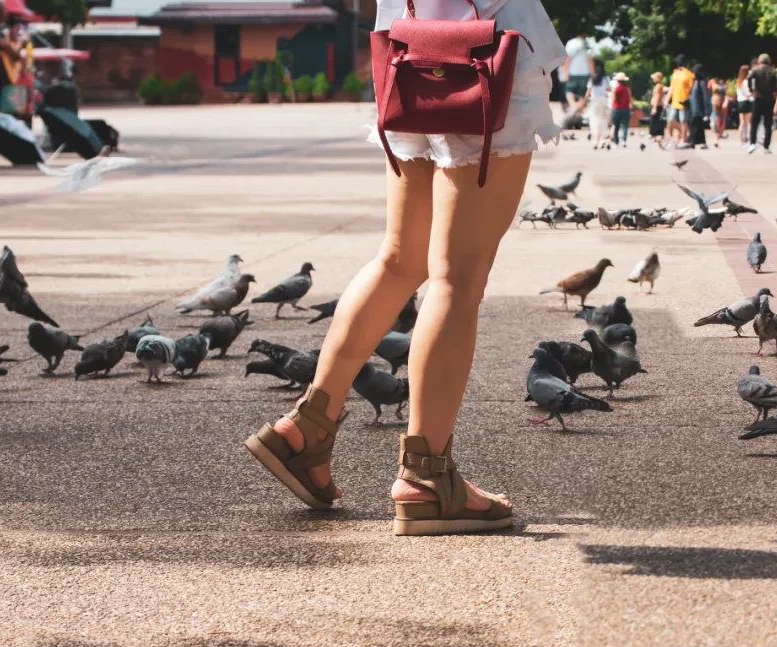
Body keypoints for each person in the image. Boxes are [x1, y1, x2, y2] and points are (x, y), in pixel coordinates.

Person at [246, 0, 567, 535]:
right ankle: (426, 477)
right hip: (490, 55)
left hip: (406, 49)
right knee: (455, 278)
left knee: (399, 260)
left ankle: (306, 428)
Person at [747, 53, 777, 154]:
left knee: (755, 122)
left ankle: (752, 143)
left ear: (760, 61)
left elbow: (749, 78)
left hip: (758, 98)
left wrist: (752, 90)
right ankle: (766, 145)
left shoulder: (756, 70)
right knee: (768, 123)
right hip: (769, 99)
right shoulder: (773, 71)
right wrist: (775, 90)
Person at [665, 54, 694, 147]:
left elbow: (691, 89)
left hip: (683, 101)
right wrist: (667, 99)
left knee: (682, 121)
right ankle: (676, 137)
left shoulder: (688, 74)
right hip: (676, 101)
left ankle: (683, 140)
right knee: (674, 120)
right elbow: (672, 88)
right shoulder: (677, 73)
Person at [583, 59, 611, 148]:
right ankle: (602, 137)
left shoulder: (592, 78)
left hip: (594, 100)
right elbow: (609, 89)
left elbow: (588, 92)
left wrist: (584, 101)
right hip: (603, 99)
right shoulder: (606, 78)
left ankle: (596, 138)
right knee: (603, 118)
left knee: (594, 118)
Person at [563, 32, 591, 109]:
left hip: (572, 72)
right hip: (585, 72)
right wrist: (592, 72)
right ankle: (579, 107)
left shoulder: (570, 43)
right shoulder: (586, 44)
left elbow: (567, 58)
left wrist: (565, 72)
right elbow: (590, 59)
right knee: (583, 92)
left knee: (569, 90)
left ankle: (573, 105)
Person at [687, 64, 710, 148]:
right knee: (698, 126)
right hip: (693, 108)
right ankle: (701, 142)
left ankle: (692, 141)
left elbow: (705, 96)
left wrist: (707, 111)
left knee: (695, 125)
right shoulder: (695, 82)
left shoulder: (702, 82)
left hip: (698, 108)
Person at [610, 71, 632, 147]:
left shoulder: (615, 89)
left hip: (617, 108)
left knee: (616, 126)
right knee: (624, 126)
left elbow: (613, 99)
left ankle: (616, 142)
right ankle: (624, 140)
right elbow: (630, 99)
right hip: (626, 109)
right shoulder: (627, 89)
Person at [736, 64, 752, 144]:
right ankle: (749, 139)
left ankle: (740, 140)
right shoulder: (745, 82)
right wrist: (753, 94)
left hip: (740, 102)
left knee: (742, 122)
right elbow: (747, 93)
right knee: (749, 122)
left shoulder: (738, 81)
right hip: (746, 101)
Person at [648, 71, 666, 143]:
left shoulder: (658, 86)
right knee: (658, 121)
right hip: (658, 106)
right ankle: (658, 135)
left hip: (657, 106)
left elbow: (657, 97)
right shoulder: (660, 85)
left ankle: (654, 135)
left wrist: (654, 107)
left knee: (654, 121)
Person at [711, 77, 728, 147]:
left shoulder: (722, 87)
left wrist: (725, 102)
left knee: (720, 122)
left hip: (721, 104)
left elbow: (726, 95)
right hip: (716, 104)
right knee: (716, 122)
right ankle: (717, 138)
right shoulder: (715, 86)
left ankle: (717, 138)